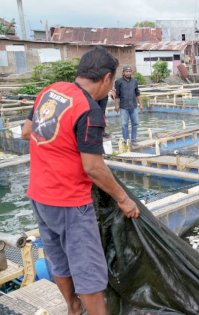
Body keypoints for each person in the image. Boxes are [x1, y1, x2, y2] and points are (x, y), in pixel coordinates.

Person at [27, 46, 140, 315]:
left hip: (39, 196)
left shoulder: (50, 91)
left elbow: (27, 131)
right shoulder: (89, 110)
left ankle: (72, 308)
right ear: (106, 79)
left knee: (59, 260)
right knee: (88, 269)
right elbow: (93, 167)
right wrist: (123, 199)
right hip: (70, 202)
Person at [114, 65, 142, 144]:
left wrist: (141, 104)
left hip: (134, 106)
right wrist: (116, 105)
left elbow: (137, 93)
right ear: (123, 73)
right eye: (127, 71)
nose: (128, 73)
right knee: (124, 124)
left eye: (130, 71)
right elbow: (117, 95)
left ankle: (133, 140)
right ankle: (126, 140)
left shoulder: (134, 81)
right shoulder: (118, 82)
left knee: (135, 123)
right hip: (123, 107)